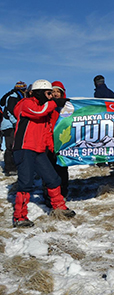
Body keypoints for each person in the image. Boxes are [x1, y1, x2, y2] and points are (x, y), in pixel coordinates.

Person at [12, 79, 75, 227]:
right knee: (26, 183)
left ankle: (59, 207)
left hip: (39, 150)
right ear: (39, 92)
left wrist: (52, 148)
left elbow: (47, 131)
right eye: (48, 93)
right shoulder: (26, 104)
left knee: (53, 179)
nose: (51, 96)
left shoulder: (46, 108)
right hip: (24, 148)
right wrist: (55, 103)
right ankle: (19, 217)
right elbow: (37, 112)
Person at [1, 81, 27, 176]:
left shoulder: (16, 96)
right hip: (8, 125)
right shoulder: (13, 97)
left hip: (10, 124)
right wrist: (16, 122)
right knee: (10, 146)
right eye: (24, 89)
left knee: (14, 145)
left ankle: (14, 166)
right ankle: (9, 168)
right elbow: (10, 111)